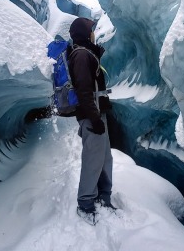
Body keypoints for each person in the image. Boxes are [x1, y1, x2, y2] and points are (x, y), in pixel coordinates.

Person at [67, 17, 115, 224]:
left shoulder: (87, 54)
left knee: (105, 158)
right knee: (93, 159)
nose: (94, 33)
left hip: (96, 114)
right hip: (91, 116)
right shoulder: (80, 55)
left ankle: (103, 195)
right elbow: (84, 91)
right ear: (85, 33)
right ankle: (85, 203)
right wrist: (94, 119)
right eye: (91, 30)